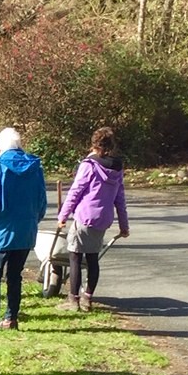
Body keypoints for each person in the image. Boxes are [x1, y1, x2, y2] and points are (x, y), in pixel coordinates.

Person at [0, 126, 47, 330]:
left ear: (0, 147)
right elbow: (41, 201)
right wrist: (33, 221)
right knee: (15, 275)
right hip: (25, 232)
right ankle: (12, 318)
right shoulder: (36, 169)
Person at [57, 127, 130, 311]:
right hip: (103, 219)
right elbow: (120, 198)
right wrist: (124, 225)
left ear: (94, 144)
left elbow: (76, 191)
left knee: (74, 257)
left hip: (84, 217)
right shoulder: (117, 167)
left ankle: (73, 300)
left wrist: (63, 215)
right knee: (92, 258)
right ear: (112, 145)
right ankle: (87, 298)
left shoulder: (89, 165)